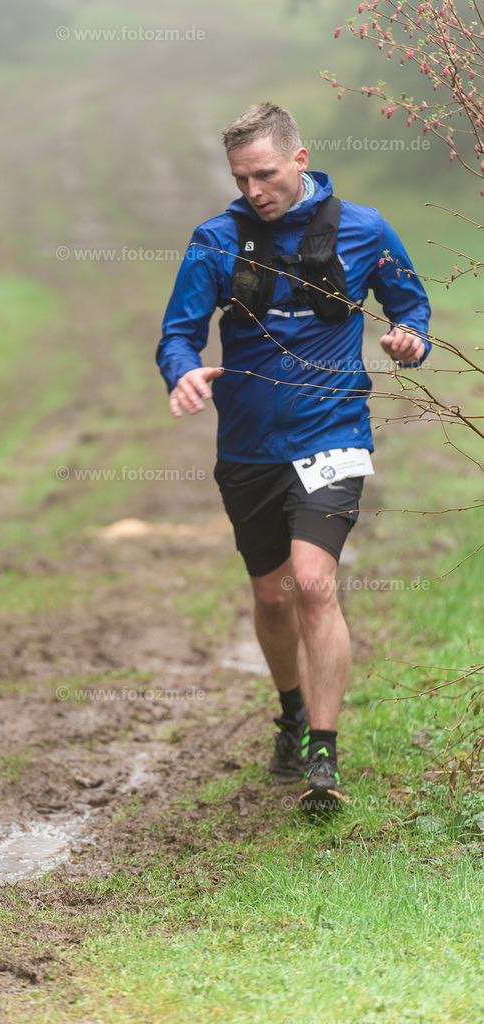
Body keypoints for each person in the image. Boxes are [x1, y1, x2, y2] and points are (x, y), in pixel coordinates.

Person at [156, 103, 431, 812]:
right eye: (241, 178)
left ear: (300, 160)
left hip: (332, 434)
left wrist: (409, 339)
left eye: (265, 174)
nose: (253, 190)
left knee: (313, 584)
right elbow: (176, 334)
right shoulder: (215, 241)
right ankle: (288, 712)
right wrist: (181, 370)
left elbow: (411, 307)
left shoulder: (365, 229)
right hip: (247, 446)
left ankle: (322, 754)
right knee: (272, 593)